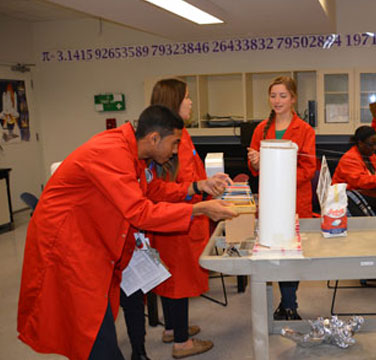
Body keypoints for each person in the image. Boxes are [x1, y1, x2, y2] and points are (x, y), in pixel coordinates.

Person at [17, 105, 237, 360]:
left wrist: (197, 186)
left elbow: (149, 189)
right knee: (92, 333)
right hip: (67, 247)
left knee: (96, 327)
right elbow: (139, 211)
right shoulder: (111, 153)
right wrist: (199, 209)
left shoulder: (132, 151)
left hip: (90, 243)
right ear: (154, 138)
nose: (176, 151)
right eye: (175, 143)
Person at [150, 78, 230, 359]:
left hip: (181, 218)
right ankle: (181, 343)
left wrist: (207, 182)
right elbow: (168, 187)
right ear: (174, 102)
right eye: (187, 97)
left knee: (171, 279)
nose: (191, 102)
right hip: (179, 221)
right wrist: (199, 189)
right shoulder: (171, 140)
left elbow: (190, 176)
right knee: (179, 280)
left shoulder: (179, 134)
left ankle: (173, 329)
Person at [247, 76, 316, 320]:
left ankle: (289, 303)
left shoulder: (305, 130)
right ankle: (288, 304)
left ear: (293, 98)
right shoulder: (260, 129)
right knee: (273, 250)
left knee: (292, 252)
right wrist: (255, 162)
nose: (277, 101)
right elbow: (254, 167)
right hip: (269, 201)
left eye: (283, 96)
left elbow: (308, 169)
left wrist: (278, 175)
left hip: (296, 199)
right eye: (273, 96)